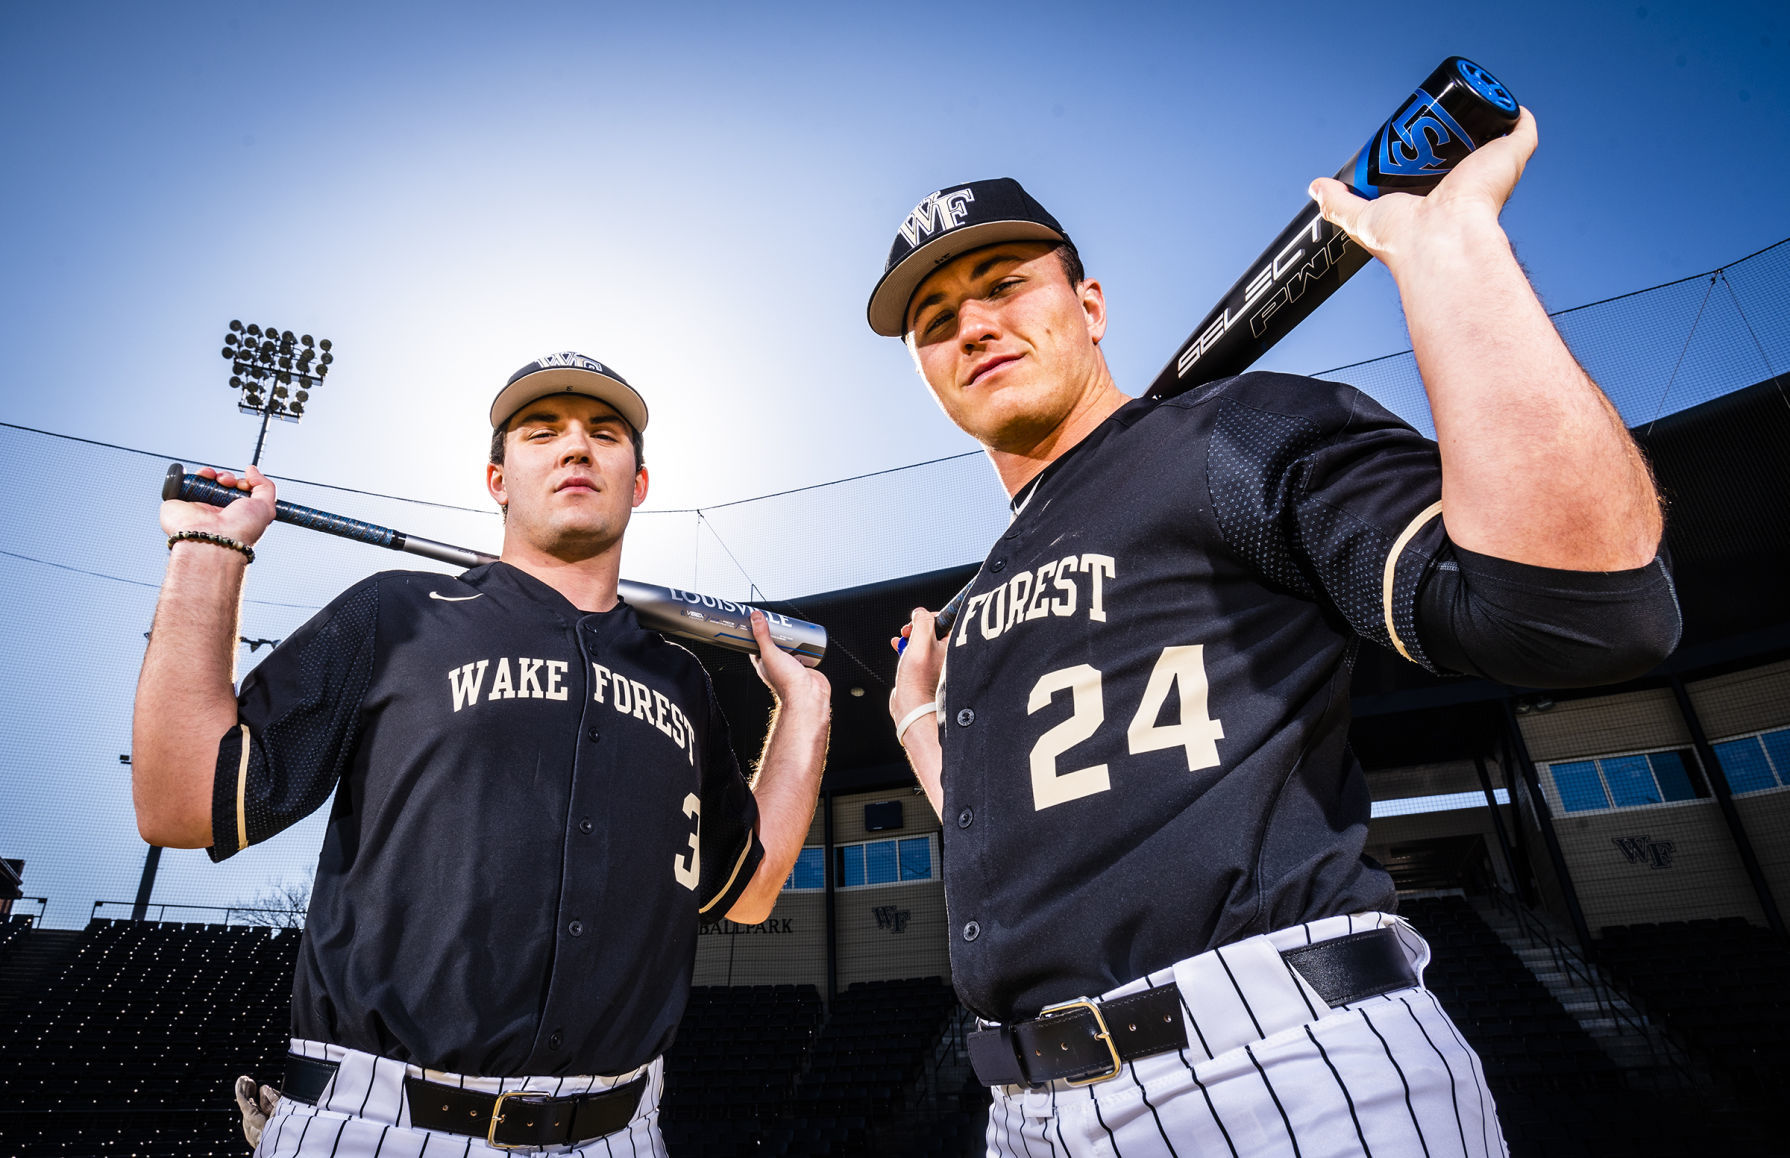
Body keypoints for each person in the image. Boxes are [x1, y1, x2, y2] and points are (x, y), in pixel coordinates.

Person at [874, 113, 1678, 1157]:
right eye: (934, 319)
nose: (970, 324)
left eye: (1001, 284)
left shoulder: (1227, 436)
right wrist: (920, 720)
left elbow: (1577, 612)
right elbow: (1018, 823)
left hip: (1275, 1070)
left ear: (1089, 305)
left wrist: (1454, 261)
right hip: (1024, 1112)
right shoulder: (982, 598)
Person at [132, 352, 831, 1155]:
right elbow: (180, 802)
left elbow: (745, 891)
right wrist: (205, 548)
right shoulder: (399, 614)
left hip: (622, 1131)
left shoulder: (681, 681)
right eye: (543, 433)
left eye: (605, 435)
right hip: (378, 1126)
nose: (576, 448)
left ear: (637, 484)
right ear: (497, 479)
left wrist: (805, 710)